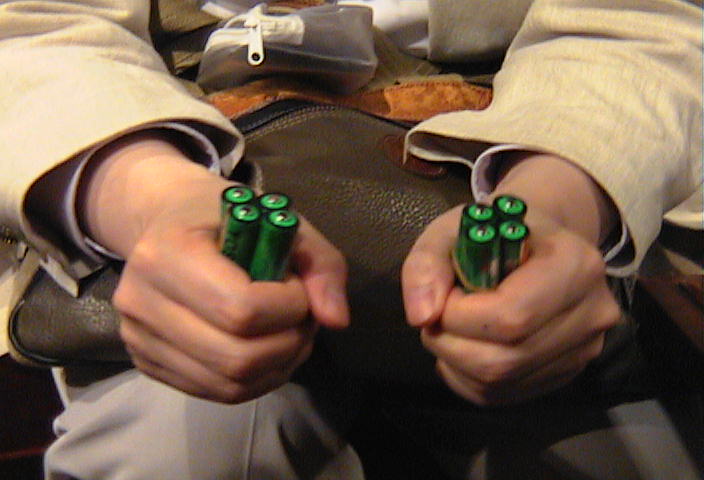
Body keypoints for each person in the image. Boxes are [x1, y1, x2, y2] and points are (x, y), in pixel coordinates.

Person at [0, 0, 701, 478]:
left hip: (522, 153)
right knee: (181, 454)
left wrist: (561, 198)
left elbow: (641, 24)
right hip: (162, 156)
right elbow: (31, 29)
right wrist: (148, 195)